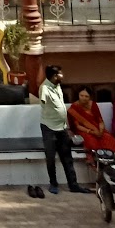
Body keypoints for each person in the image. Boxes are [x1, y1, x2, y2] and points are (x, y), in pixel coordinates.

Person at [39, 64, 88, 195]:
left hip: (61, 128)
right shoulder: (44, 88)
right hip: (49, 128)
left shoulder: (58, 86)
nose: (62, 75)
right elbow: (43, 100)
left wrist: (67, 127)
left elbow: (60, 107)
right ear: (55, 76)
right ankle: (53, 184)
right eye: (60, 73)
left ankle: (73, 185)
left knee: (67, 157)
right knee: (51, 157)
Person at [67, 87, 115, 165]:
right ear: (78, 95)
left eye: (86, 96)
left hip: (97, 129)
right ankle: (96, 164)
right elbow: (77, 126)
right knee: (91, 142)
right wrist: (92, 132)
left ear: (90, 97)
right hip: (83, 131)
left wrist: (100, 130)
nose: (83, 98)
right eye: (81, 95)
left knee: (110, 139)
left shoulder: (93, 104)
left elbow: (100, 120)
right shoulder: (73, 108)